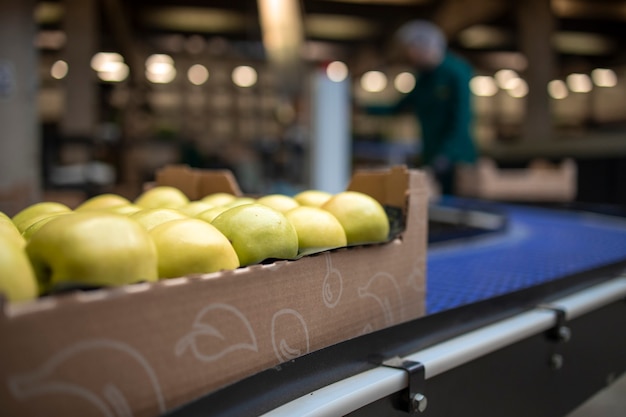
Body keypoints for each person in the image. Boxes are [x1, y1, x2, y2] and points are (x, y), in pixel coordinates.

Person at [367, 20, 477, 194]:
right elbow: (398, 107)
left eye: (409, 50)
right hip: (431, 155)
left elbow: (462, 120)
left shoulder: (456, 72)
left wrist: (446, 156)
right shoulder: (423, 79)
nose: (408, 56)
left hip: (457, 160)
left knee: (457, 207)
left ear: (422, 47)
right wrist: (363, 107)